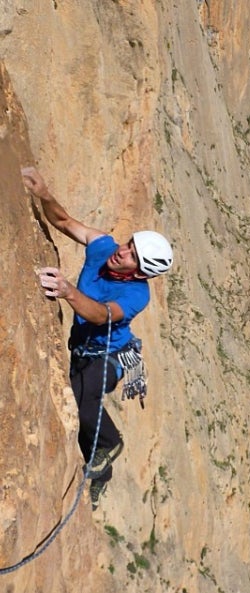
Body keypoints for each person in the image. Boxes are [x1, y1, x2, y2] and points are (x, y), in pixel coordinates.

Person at [21, 166, 173, 511]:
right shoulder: (104, 247)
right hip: (82, 350)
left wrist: (67, 292)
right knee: (77, 417)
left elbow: (102, 316)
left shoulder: (137, 294)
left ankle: (112, 442)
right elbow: (64, 222)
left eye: (133, 255)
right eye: (129, 244)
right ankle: (100, 471)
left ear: (140, 272)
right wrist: (44, 193)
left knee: (79, 400)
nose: (123, 251)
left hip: (112, 357)